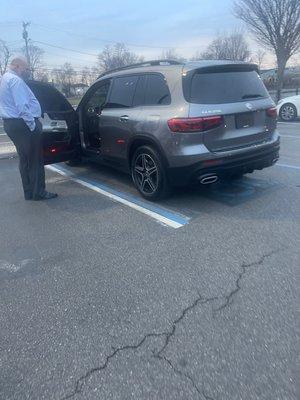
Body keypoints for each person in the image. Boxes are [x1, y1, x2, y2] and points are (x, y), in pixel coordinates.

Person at [0, 57, 57, 201]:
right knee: (35, 160)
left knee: (25, 159)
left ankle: (29, 192)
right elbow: (22, 106)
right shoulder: (16, 81)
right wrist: (33, 126)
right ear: (17, 66)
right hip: (23, 124)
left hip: (12, 124)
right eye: (25, 68)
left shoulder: (4, 79)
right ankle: (39, 192)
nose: (26, 71)